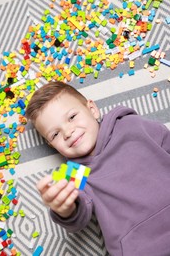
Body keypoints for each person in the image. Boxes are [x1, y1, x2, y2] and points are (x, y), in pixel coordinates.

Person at [26, 80, 170, 256]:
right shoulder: (73, 173)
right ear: (52, 145)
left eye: (71, 117)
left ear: (92, 109)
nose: (68, 132)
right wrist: (65, 209)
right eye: (55, 134)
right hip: (140, 249)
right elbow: (78, 216)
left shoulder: (130, 125)